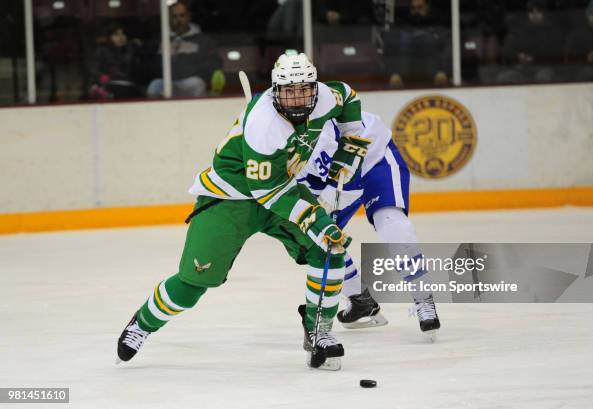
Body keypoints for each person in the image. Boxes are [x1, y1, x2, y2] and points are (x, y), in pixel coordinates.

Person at [117, 51, 369, 370]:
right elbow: (267, 191)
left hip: (282, 186)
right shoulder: (264, 125)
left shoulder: (323, 97)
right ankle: (142, 323)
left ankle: (318, 331)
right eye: (288, 91)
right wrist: (316, 221)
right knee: (194, 282)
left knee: (328, 252)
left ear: (314, 87)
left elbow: (347, 95)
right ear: (276, 91)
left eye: (304, 89)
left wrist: (351, 143)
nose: (297, 98)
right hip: (231, 196)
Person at [296, 111, 441, 336]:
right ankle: (360, 300)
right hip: (336, 177)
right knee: (318, 240)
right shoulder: (273, 142)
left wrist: (325, 202)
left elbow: (348, 178)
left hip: (375, 159)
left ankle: (423, 297)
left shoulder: (318, 129)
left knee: (392, 223)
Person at [147, 1, 225, 97]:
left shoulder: (203, 40)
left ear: (188, 17)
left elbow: (214, 63)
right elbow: (149, 64)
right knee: (154, 85)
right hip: (166, 82)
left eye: (182, 15)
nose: (178, 20)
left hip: (190, 81)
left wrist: (189, 71)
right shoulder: (159, 39)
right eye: (174, 16)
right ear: (169, 18)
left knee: (197, 84)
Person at [496, 0, 564, 84]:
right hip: (523, 68)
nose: (534, 15)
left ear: (544, 13)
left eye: (538, 12)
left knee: (543, 77)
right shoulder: (522, 30)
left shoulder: (552, 31)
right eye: (531, 12)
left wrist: (535, 58)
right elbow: (509, 49)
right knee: (504, 77)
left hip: (545, 68)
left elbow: (556, 53)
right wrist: (518, 55)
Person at [89, 24, 144, 100]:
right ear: (109, 37)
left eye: (123, 34)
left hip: (129, 86)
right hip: (110, 84)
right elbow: (95, 71)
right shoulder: (102, 50)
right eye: (116, 35)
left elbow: (136, 71)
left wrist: (135, 49)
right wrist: (104, 78)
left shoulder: (131, 50)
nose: (120, 37)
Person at [565, 0, 593, 81]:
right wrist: (585, 57)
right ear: (587, 16)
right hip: (585, 74)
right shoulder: (578, 35)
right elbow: (569, 58)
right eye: (591, 14)